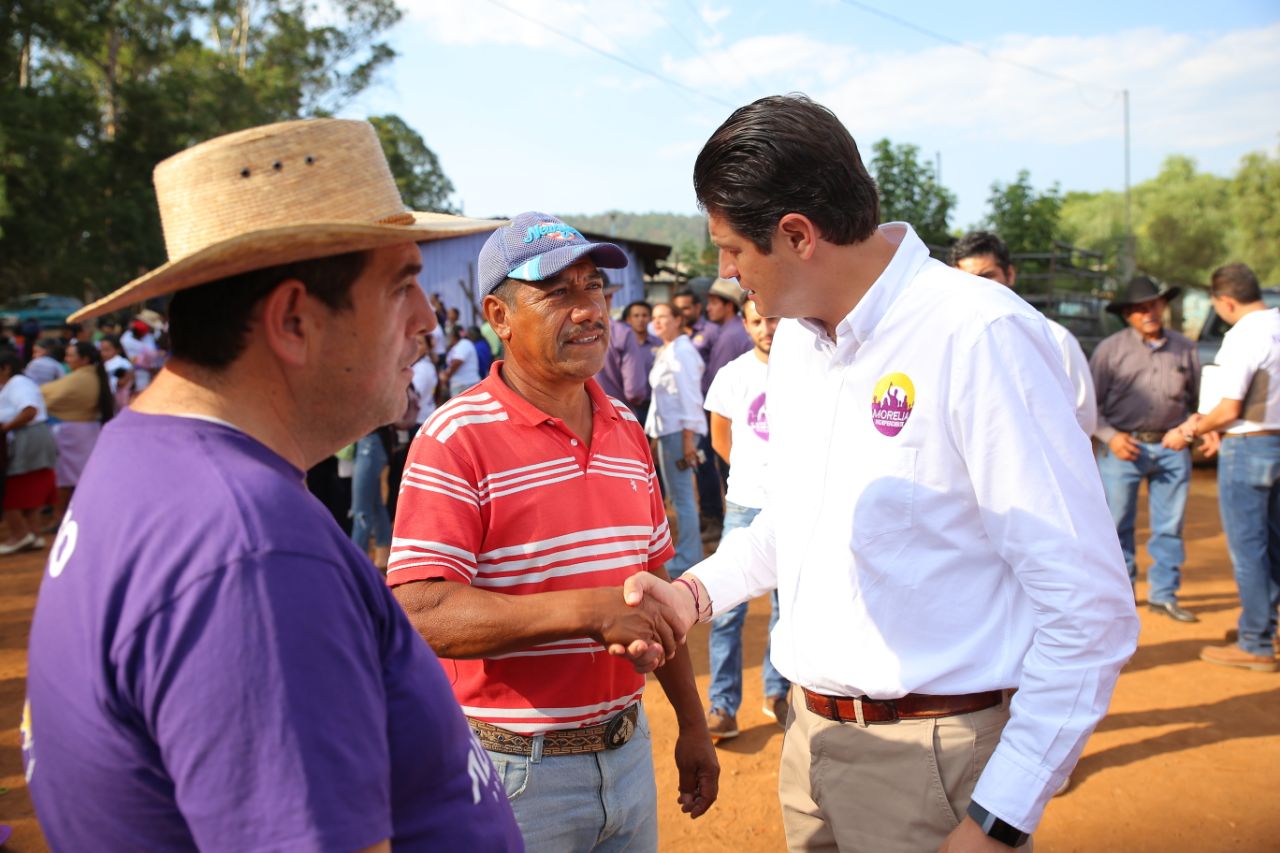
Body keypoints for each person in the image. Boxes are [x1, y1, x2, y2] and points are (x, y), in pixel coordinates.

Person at [623, 93, 1137, 852]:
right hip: (810, 744)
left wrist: (997, 818)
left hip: (934, 766)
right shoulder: (799, 342)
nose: (724, 274)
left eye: (732, 249)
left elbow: (1089, 606)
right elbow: (798, 525)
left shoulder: (979, 336)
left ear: (797, 235)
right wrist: (693, 592)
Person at [23, 118, 523, 850]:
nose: (426, 321)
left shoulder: (147, 453)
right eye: (403, 286)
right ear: (294, 319)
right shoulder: (250, 550)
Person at [388, 211, 717, 851]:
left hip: (627, 751)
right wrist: (589, 612)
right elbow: (420, 611)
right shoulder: (454, 440)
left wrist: (692, 722)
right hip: (514, 775)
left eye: (595, 287)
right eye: (558, 292)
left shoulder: (624, 426)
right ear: (499, 315)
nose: (589, 309)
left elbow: (654, 594)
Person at [1177, 263, 1280, 671]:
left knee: (1248, 549)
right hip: (1276, 441)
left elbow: (1229, 407)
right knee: (1273, 543)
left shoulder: (1245, 335)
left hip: (1249, 446)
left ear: (1225, 301)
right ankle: (1263, 626)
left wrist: (1192, 428)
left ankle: (1256, 641)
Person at [702, 297, 789, 741]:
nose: (767, 328)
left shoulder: (807, 368)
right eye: (758, 321)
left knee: (787, 609)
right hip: (744, 505)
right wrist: (755, 476)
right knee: (726, 610)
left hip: (796, 506)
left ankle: (778, 693)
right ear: (745, 323)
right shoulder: (732, 375)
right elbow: (720, 438)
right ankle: (722, 703)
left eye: (773, 318)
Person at [1090, 275, 1201, 621]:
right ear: (1127, 315)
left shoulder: (1186, 348)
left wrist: (1186, 430)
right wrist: (1111, 437)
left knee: (1170, 526)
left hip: (1171, 446)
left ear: (1163, 306)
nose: (1147, 313)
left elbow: (1199, 402)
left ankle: (1164, 595)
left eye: (1152, 304)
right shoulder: (1110, 350)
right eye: (1138, 309)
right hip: (1123, 447)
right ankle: (1121, 600)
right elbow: (1087, 406)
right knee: (1116, 526)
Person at [950, 231, 1097, 436]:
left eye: (986, 277)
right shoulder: (948, 342)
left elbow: (1084, 418)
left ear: (1010, 274)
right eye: (967, 279)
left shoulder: (1055, 338)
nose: (977, 287)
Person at [646, 301, 707, 577]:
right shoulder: (669, 350)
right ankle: (687, 553)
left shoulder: (681, 352)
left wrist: (686, 439)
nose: (656, 322)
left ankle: (689, 558)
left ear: (677, 320)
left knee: (682, 498)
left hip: (678, 434)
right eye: (654, 317)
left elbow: (690, 399)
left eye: (662, 317)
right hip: (668, 432)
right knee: (677, 498)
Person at [40, 341, 114, 526]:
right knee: (79, 477)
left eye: (71, 355)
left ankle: (60, 516)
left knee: (67, 478)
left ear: (84, 359)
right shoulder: (88, 376)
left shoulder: (81, 378)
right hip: (84, 431)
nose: (67, 359)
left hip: (74, 433)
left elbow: (49, 396)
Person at [0, 350, 57, 554]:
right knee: (29, 483)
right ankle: (32, 534)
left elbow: (30, 411)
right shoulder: (12, 384)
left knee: (14, 486)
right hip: (30, 435)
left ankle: (21, 534)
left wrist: (5, 428)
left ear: (6, 368)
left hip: (28, 435)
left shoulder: (18, 383)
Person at [595, 275, 650, 418]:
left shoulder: (571, 332)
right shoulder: (623, 333)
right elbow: (635, 391)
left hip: (581, 416)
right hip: (618, 415)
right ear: (610, 297)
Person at [701, 278, 753, 396]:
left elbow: (716, 381)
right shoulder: (736, 329)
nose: (708, 308)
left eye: (713, 303)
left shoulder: (730, 336)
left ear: (729, 306)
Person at [673, 289, 718, 364]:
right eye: (678, 309)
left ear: (698, 307)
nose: (681, 313)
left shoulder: (711, 331)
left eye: (685, 308)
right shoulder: (673, 332)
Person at [120, 317, 160, 391]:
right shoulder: (140, 345)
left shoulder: (126, 336)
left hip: (134, 371)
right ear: (141, 334)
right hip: (139, 372)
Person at [443, 324, 481, 397]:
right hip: (461, 384)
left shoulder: (464, 343)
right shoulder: (458, 345)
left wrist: (447, 375)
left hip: (465, 385)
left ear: (454, 335)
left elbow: (457, 362)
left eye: (450, 335)